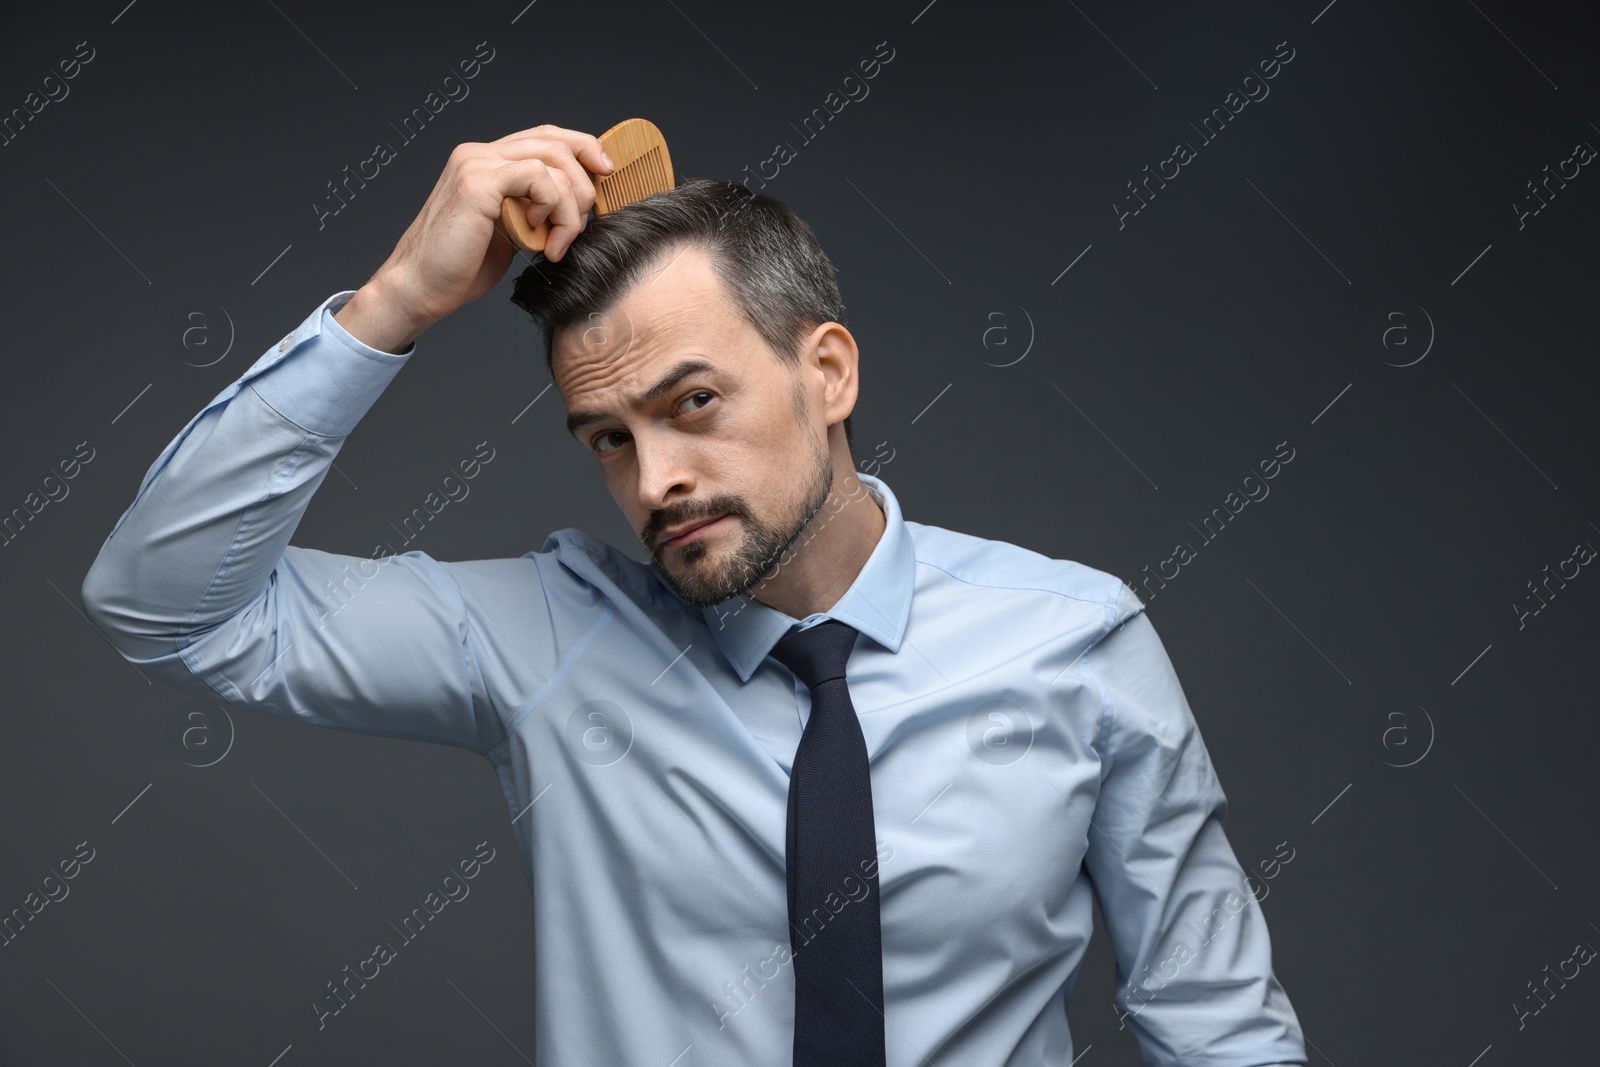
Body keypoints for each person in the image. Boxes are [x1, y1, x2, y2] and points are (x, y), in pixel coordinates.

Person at [80, 123, 1309, 1066]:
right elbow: (167, 602)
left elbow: (1214, 1019)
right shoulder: (542, 641)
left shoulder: (1075, 639)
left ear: (825, 371)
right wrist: (394, 301)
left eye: (692, 403)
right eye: (607, 437)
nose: (657, 477)